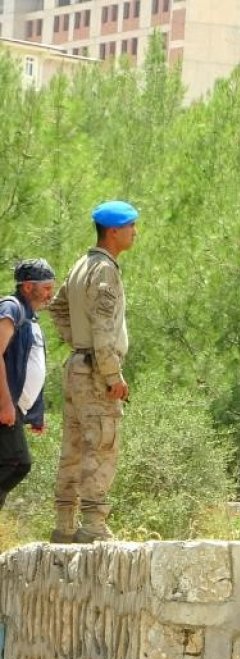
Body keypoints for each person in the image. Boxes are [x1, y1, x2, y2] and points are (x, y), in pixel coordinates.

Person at [46, 200, 138, 543]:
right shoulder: (104, 270)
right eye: (130, 226)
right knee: (101, 442)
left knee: (73, 444)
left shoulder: (81, 265)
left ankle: (64, 523)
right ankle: (93, 526)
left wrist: (76, 343)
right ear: (113, 231)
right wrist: (112, 375)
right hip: (96, 371)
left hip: (77, 366)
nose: (135, 232)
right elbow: (102, 325)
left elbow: (57, 308)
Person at [0, 259, 56, 511]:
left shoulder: (30, 319)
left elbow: (33, 366)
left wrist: (35, 414)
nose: (50, 294)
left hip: (14, 410)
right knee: (16, 463)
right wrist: (5, 404)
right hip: (4, 407)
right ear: (27, 287)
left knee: (10, 463)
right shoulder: (11, 308)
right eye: (45, 288)